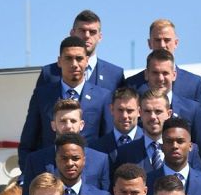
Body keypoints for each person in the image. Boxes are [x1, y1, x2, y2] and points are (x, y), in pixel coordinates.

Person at [19, 36, 112, 166]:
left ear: (87, 61)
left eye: (79, 58)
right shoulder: (42, 95)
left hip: (89, 176)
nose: (74, 64)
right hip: (49, 174)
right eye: (68, 58)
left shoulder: (102, 97)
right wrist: (28, 174)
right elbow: (28, 142)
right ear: (59, 61)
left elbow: (108, 141)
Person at [20, 98, 110, 195]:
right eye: (63, 121)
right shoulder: (35, 160)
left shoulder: (100, 160)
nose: (68, 126)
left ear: (82, 124)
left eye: (73, 121)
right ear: (53, 125)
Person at [127, 49, 201, 168]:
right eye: (155, 73)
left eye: (165, 73)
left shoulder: (192, 110)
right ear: (146, 74)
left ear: (174, 75)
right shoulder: (135, 108)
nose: (160, 78)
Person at [125, 19, 201, 111]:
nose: (162, 45)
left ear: (176, 43)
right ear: (149, 43)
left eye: (167, 40)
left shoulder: (193, 84)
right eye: (157, 40)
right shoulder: (132, 85)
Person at [115, 89, 201, 173]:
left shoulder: (190, 151)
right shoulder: (125, 152)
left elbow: (197, 185)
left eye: (158, 111)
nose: (153, 117)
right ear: (140, 113)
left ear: (169, 114)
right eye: (147, 111)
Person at [37, 10, 124, 93]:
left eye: (92, 32)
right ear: (72, 33)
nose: (87, 36)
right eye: (82, 30)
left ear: (100, 37)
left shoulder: (115, 75)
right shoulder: (49, 73)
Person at [88, 86, 142, 167]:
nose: (124, 116)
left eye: (130, 111)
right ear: (111, 109)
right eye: (120, 110)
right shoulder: (96, 147)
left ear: (139, 112)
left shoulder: (148, 144)